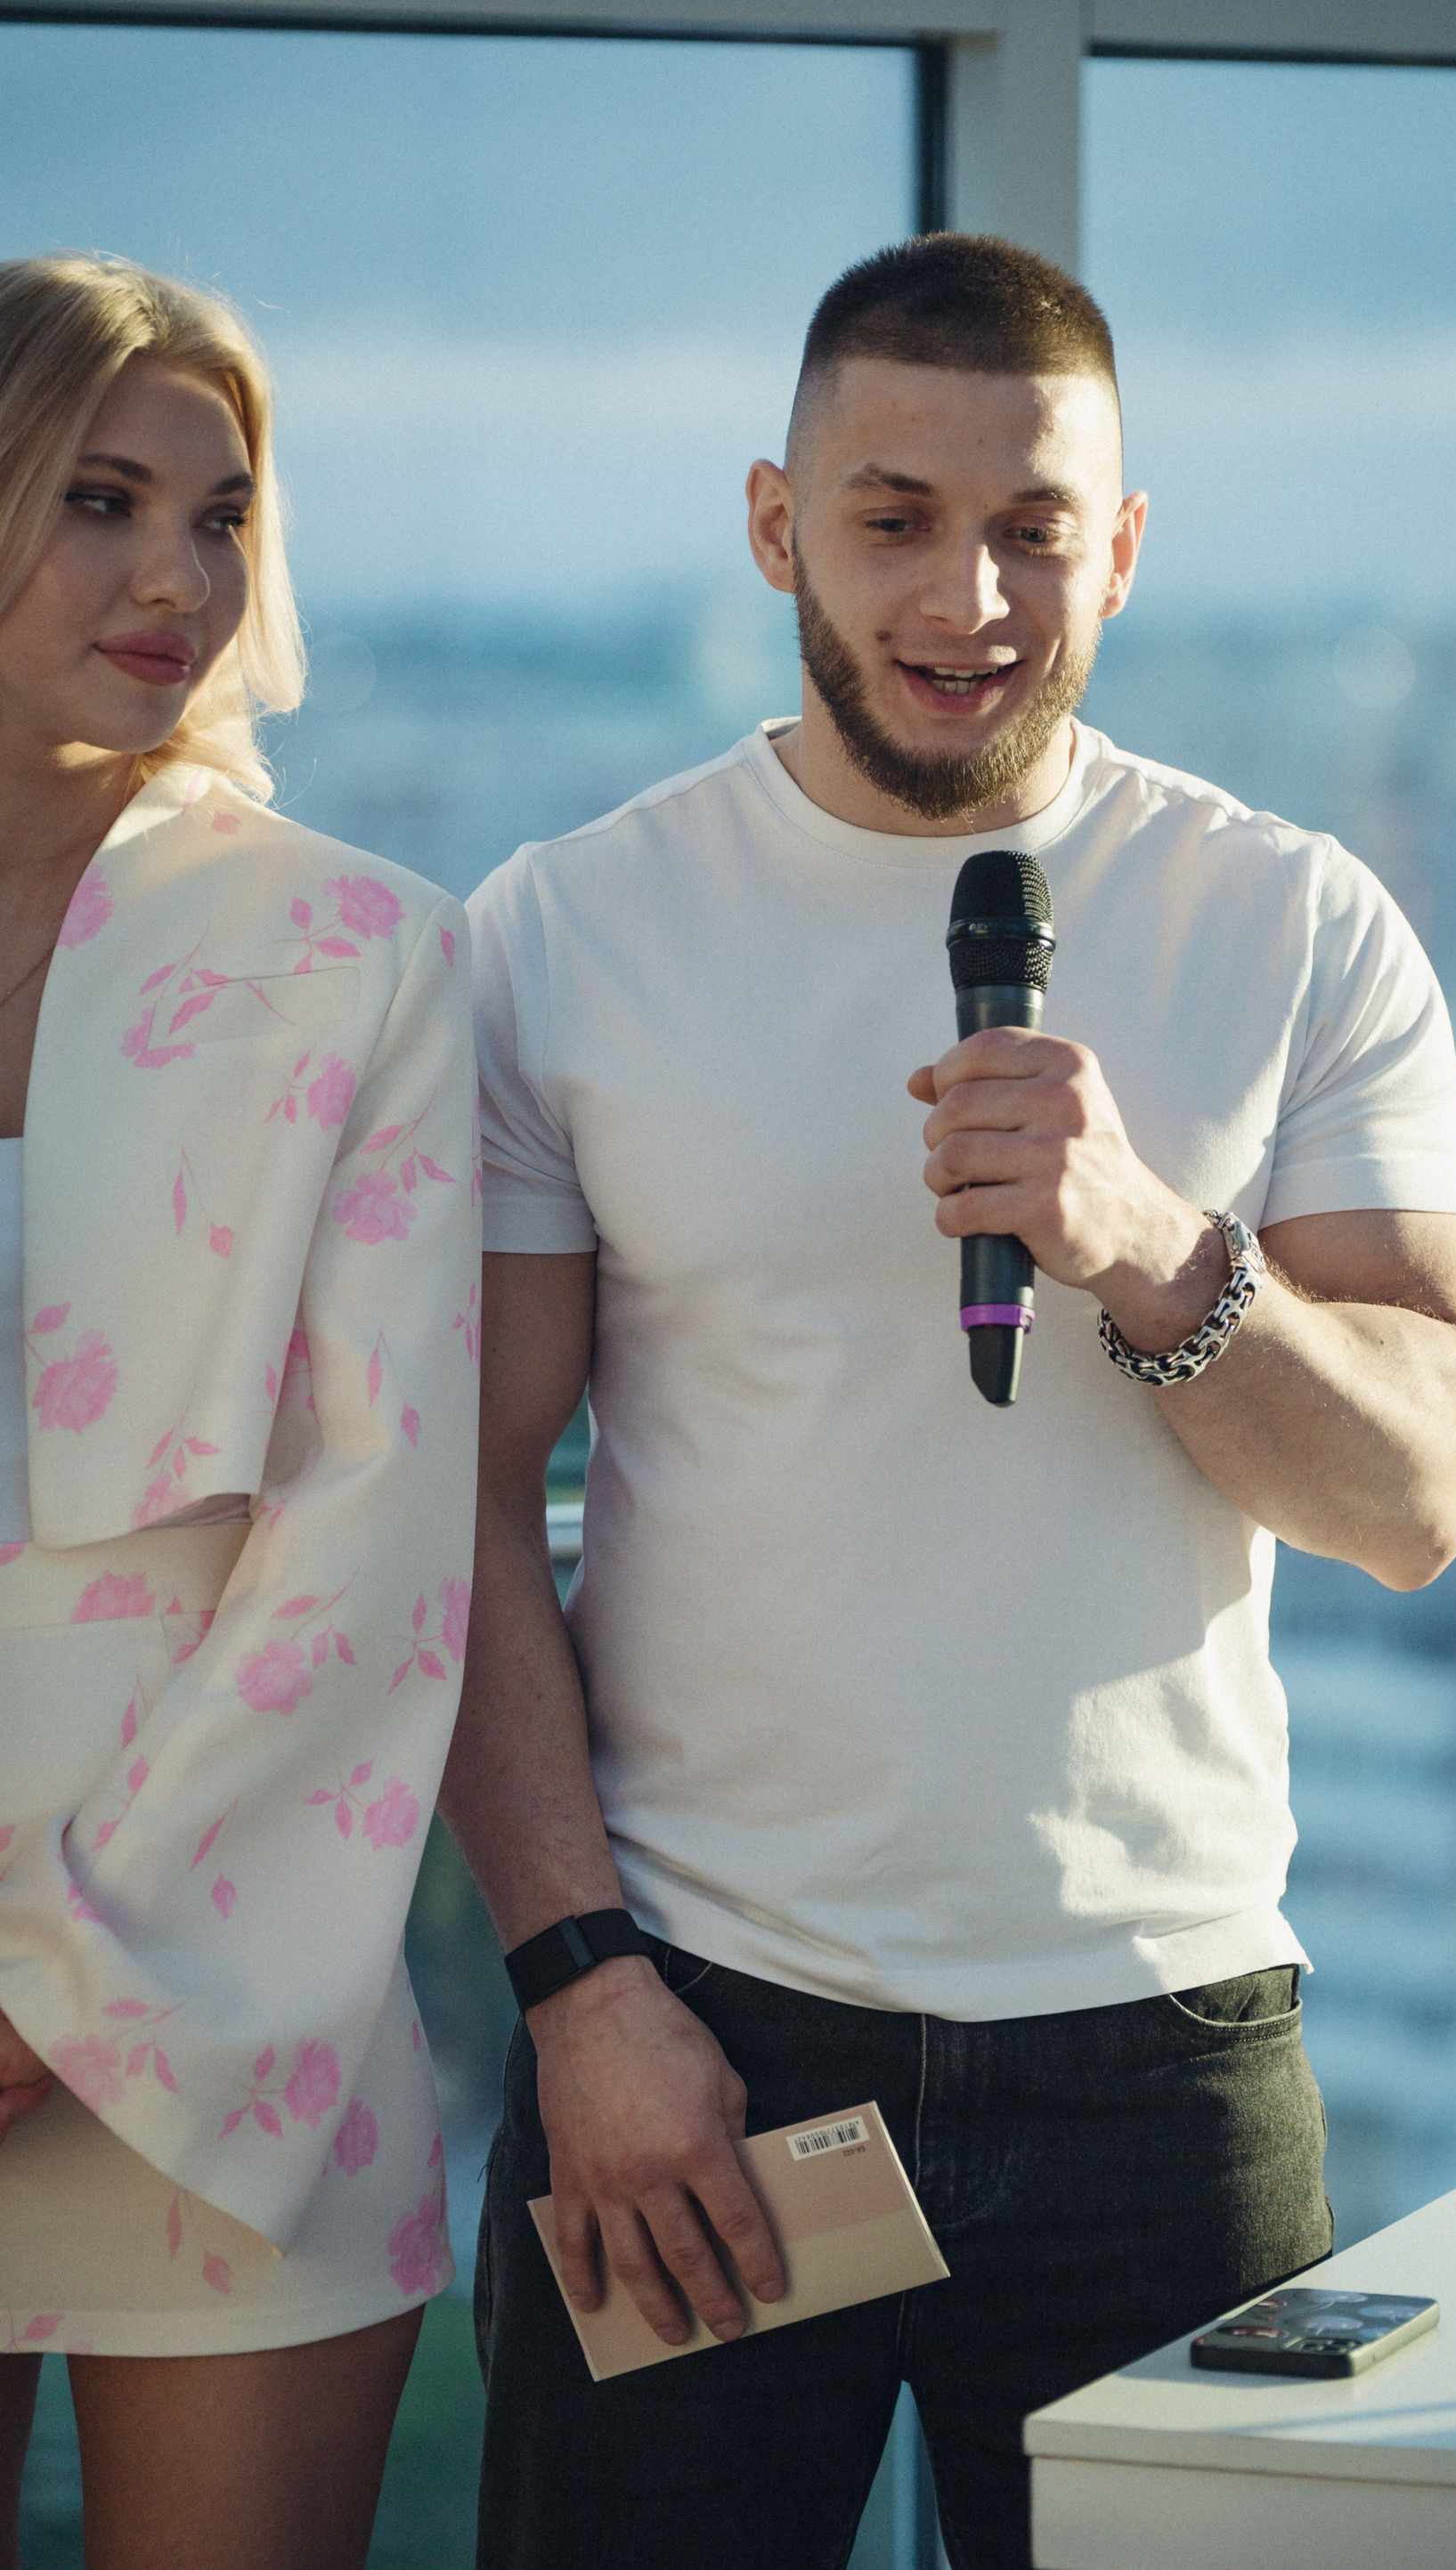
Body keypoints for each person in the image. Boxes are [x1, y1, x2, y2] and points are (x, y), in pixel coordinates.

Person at [450, 234, 1456, 2570]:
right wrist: (577, 1986)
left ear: (1120, 548)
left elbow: (1421, 1493)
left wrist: (1155, 1248)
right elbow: (464, 1502)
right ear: (776, 526)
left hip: (1167, 2059)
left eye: (1035, 527)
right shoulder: (564, 929)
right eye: (894, 516)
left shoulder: (1295, 919)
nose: (970, 595)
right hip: (700, 2044)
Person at [0, 256, 479, 2570]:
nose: (177, 577)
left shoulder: (359, 950)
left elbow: (378, 1533)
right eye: (101, 500)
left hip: (228, 2011)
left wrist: (59, 1998)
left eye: (220, 515)